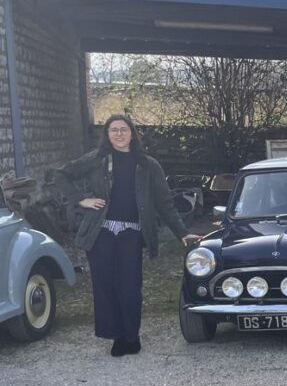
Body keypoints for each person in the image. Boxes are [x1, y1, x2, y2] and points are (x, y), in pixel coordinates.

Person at [55, 115, 201, 357]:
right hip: (101, 232)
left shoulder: (148, 165)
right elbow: (61, 175)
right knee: (105, 285)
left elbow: (164, 202)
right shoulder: (96, 159)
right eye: (114, 130)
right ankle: (118, 336)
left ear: (132, 133)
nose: (119, 134)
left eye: (123, 129)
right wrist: (81, 200)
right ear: (107, 134)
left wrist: (182, 232)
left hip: (131, 232)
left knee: (130, 287)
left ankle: (132, 336)